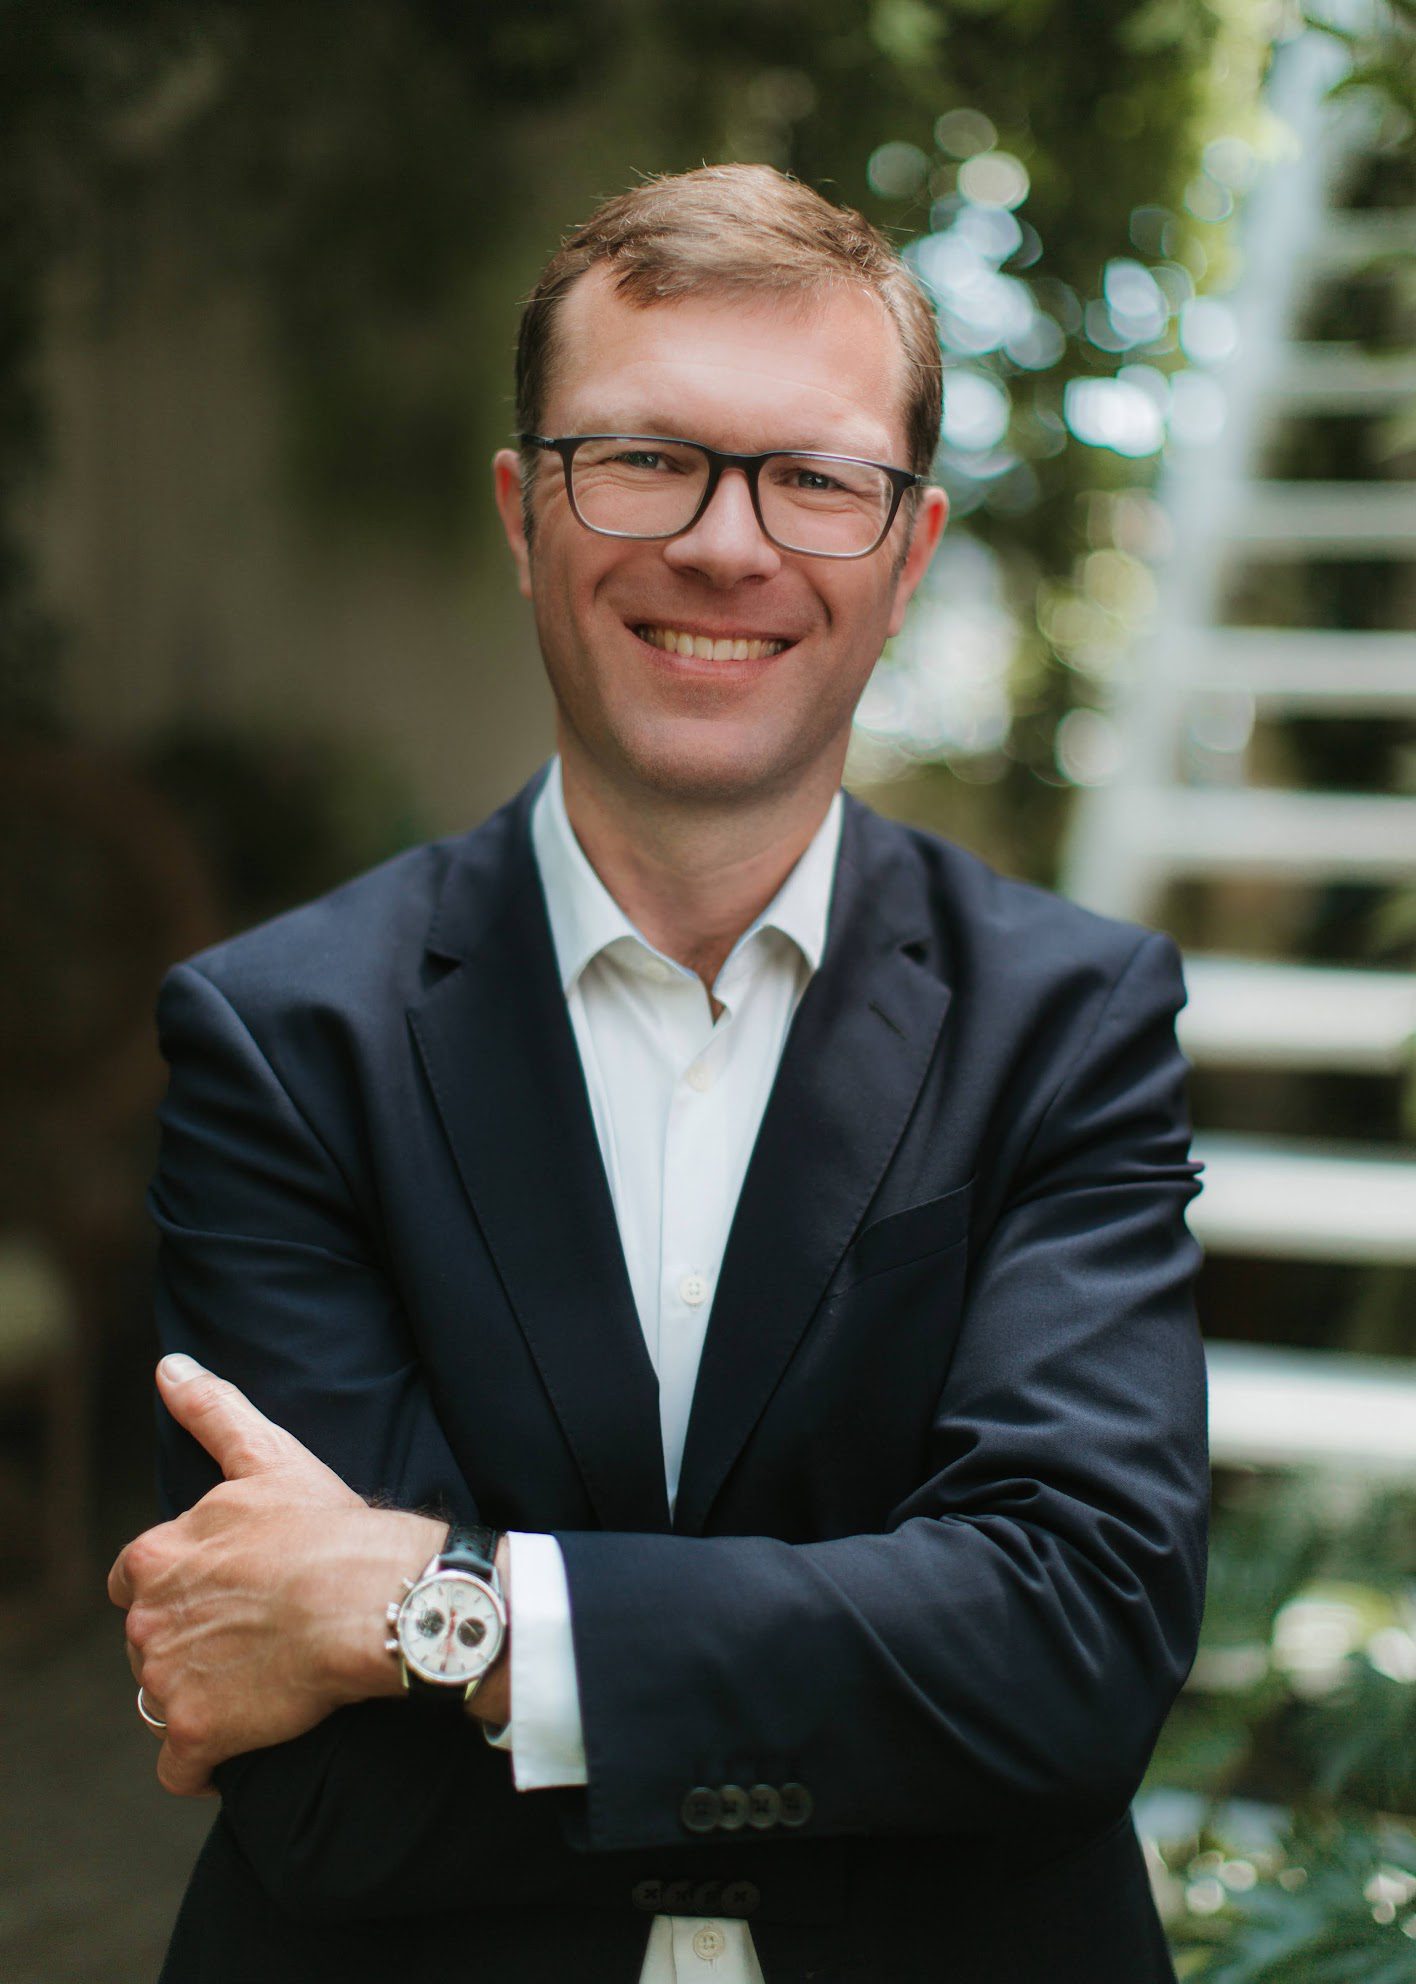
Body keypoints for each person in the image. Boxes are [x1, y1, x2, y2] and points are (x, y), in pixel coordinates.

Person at [108, 163, 1207, 1984]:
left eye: (816, 477)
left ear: (911, 548)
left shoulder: (1072, 1023)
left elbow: (1073, 1659)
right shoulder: (278, 1039)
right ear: (522, 513)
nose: (726, 543)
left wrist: (438, 1612)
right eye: (641, 457)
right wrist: (854, 1696)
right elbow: (324, 1793)